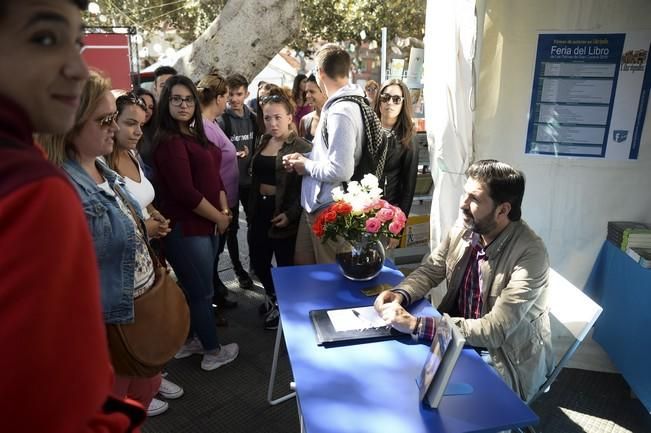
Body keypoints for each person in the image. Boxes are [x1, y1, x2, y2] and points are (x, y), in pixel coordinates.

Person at [0, 1, 146, 431]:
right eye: (46, 39)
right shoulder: (36, 191)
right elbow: (52, 405)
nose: (78, 70)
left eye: (77, 45)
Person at [374, 160, 553, 402]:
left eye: (475, 199)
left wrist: (417, 324)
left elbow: (495, 330)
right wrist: (401, 294)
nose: (463, 204)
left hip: (500, 357)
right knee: (391, 377)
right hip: (457, 338)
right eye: (464, 193)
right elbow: (431, 270)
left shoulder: (531, 253)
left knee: (421, 400)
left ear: (503, 210)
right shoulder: (466, 227)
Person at [41, 71, 166, 413]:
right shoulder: (59, 190)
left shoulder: (102, 167)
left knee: (143, 392)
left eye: (114, 116)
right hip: (107, 334)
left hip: (136, 320)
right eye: (105, 119)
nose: (115, 126)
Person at [105, 92, 185, 415]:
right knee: (134, 331)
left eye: (140, 124)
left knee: (152, 320)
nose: (138, 131)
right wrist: (146, 226)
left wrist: (156, 216)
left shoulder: (134, 154)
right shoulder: (104, 165)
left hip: (148, 253)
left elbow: (143, 196)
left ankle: (152, 374)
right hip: (127, 264)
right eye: (129, 123)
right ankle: (141, 386)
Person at [153, 75, 239, 371]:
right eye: (176, 99)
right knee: (201, 292)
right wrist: (219, 217)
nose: (183, 104)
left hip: (210, 225)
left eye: (188, 98)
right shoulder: (169, 143)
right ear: (167, 103)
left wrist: (224, 211)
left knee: (197, 289)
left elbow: (214, 177)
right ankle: (212, 352)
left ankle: (192, 340)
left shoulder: (194, 134)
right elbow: (185, 192)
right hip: (187, 229)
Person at [283, 43, 366, 264]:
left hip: (329, 210)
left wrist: (306, 165)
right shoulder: (341, 105)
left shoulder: (341, 110)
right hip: (318, 207)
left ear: (320, 73)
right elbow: (330, 157)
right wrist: (305, 160)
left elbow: (341, 169)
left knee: (328, 283)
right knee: (306, 273)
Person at [249, 87, 312, 330]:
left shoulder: (302, 147)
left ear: (289, 117)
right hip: (259, 211)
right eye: (267, 118)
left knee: (286, 266)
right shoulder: (263, 140)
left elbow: (305, 190)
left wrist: (291, 214)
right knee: (258, 260)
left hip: (284, 214)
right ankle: (275, 298)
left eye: (278, 117)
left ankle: (286, 309)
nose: (272, 123)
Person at [196, 70, 240, 315]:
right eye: (226, 96)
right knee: (211, 257)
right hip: (217, 206)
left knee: (214, 254)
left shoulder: (212, 124)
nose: (228, 101)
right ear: (219, 97)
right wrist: (221, 210)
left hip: (225, 202)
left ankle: (216, 294)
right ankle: (212, 301)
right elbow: (209, 173)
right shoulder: (205, 127)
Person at [217, 73, 258, 289]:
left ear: (246, 94)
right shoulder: (222, 120)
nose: (234, 99)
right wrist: (233, 154)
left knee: (254, 225)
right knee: (231, 229)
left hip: (249, 182)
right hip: (229, 184)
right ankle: (237, 269)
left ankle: (254, 265)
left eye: (238, 94)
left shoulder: (252, 118)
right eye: (230, 94)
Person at [373, 79, 419, 248]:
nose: (390, 103)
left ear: (403, 103)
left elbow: (408, 187)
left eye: (396, 99)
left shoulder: (408, 138)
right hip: (360, 206)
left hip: (388, 211)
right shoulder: (367, 130)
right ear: (379, 100)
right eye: (385, 97)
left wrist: (398, 228)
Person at [133, 86, 157, 180]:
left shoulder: (156, 132)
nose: (147, 110)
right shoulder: (124, 134)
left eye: (151, 107)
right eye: (142, 104)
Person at [298, 74, 326, 142]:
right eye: (306, 92)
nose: (307, 95)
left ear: (324, 92)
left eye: (312, 91)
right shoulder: (305, 120)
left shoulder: (336, 118)